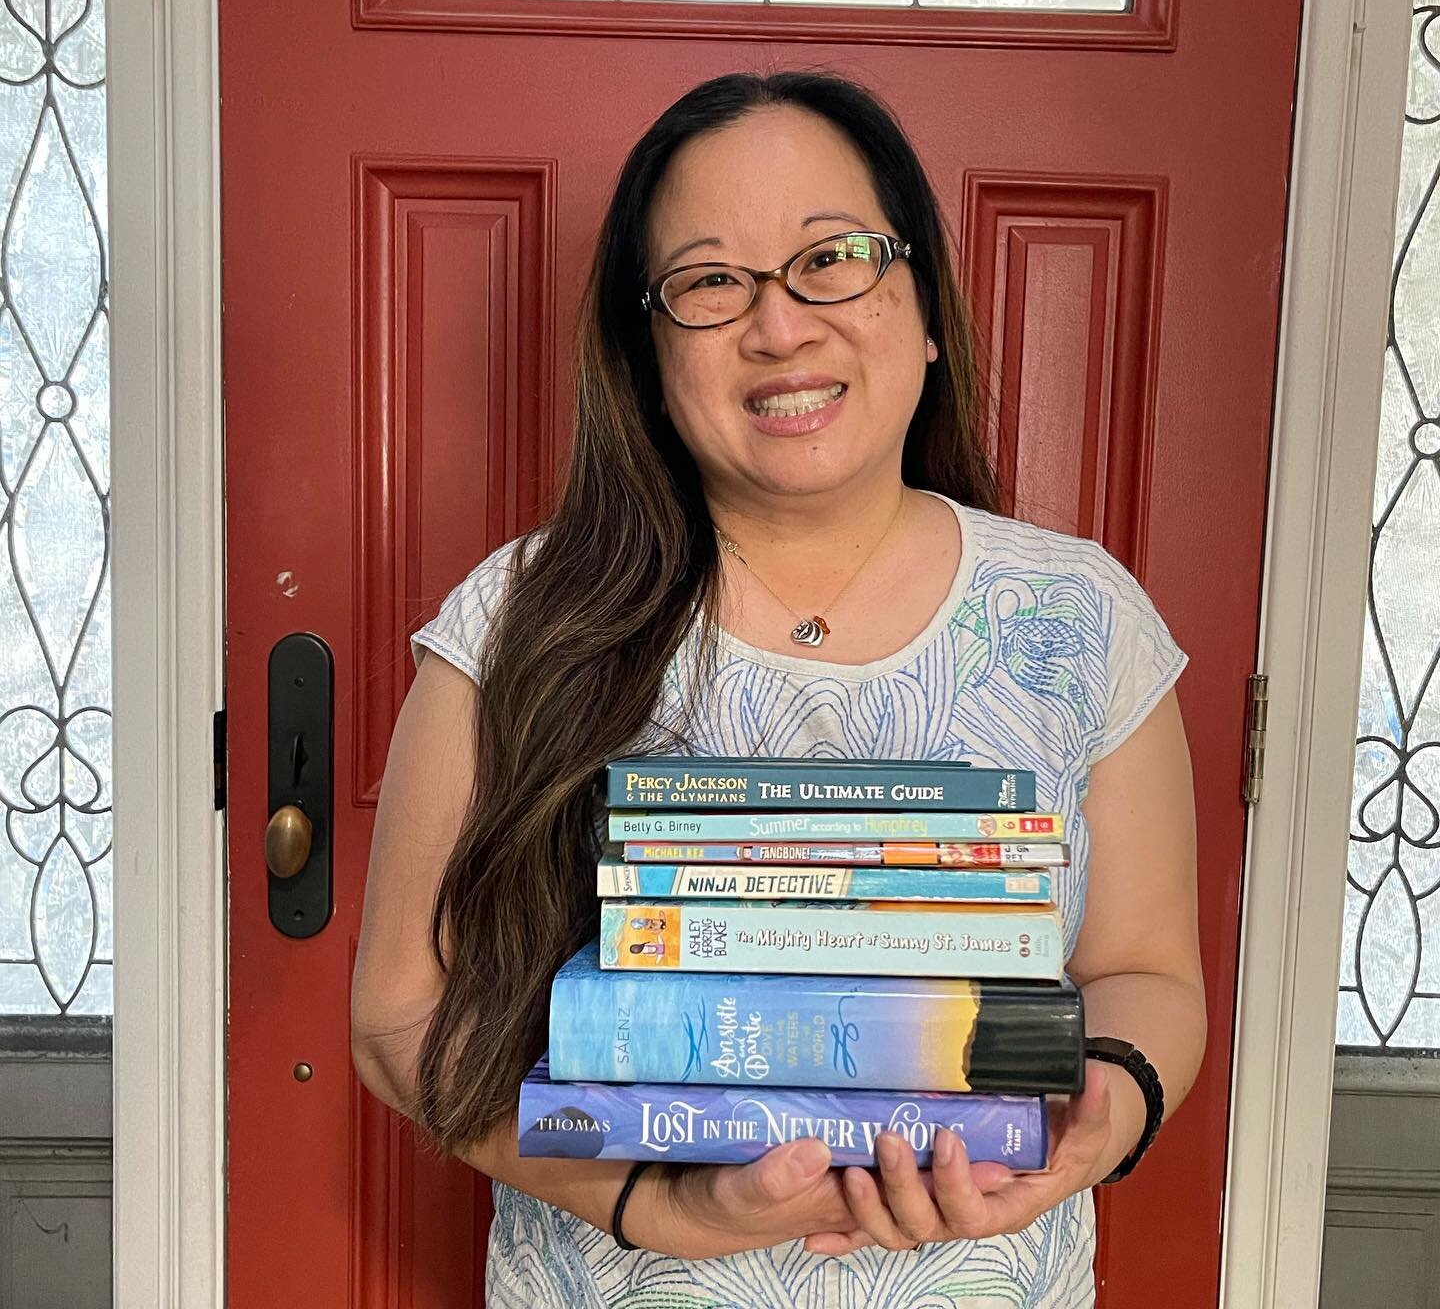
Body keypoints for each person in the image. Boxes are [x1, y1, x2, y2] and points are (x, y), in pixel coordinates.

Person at [351, 71, 1206, 1308]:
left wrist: (1100, 1107)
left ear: (922, 309)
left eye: (834, 258)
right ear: (647, 356)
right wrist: (657, 1203)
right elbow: (398, 1016)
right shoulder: (518, 621)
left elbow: (1144, 969)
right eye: (710, 284)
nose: (782, 326)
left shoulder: (1083, 618)